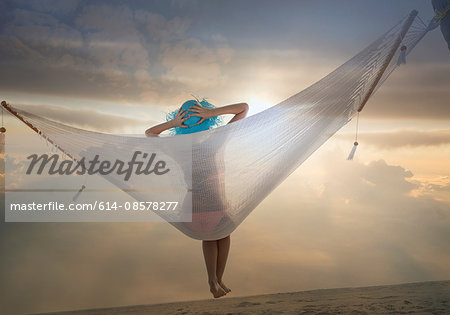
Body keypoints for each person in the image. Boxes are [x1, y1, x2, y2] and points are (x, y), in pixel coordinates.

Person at [145, 100, 249, 298]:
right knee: (222, 235)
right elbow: (243, 108)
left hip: (193, 206)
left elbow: (150, 134)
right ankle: (215, 278)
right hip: (214, 204)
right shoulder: (214, 142)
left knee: (213, 237)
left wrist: (173, 123)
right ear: (205, 123)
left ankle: (214, 279)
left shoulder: (176, 149)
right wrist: (212, 112)